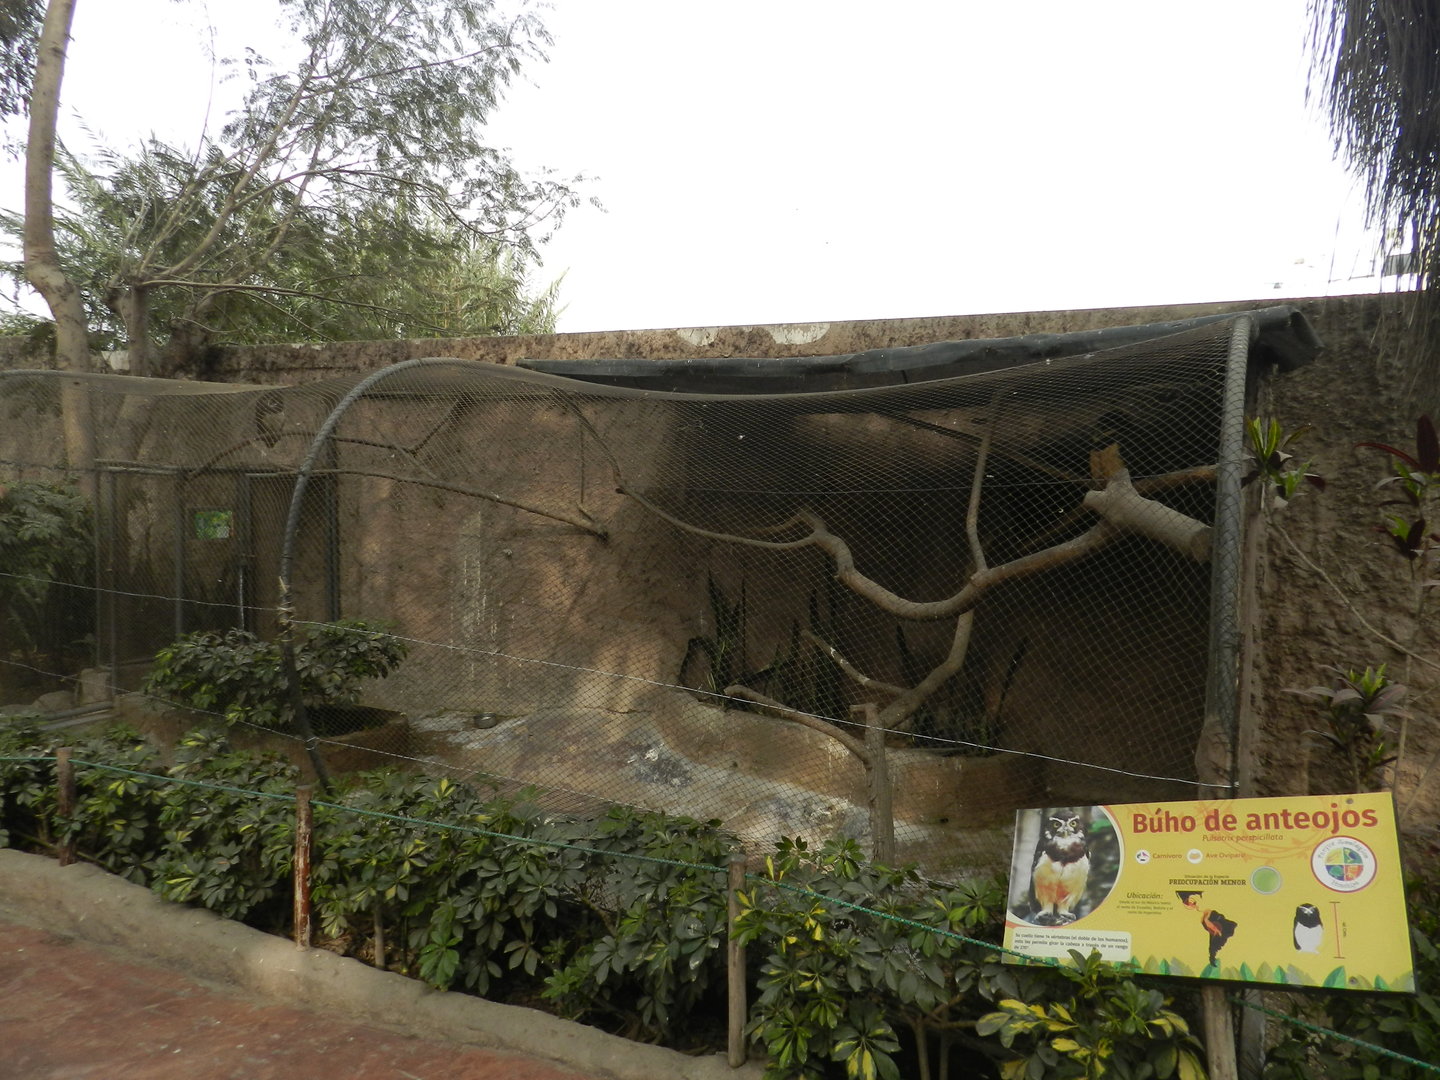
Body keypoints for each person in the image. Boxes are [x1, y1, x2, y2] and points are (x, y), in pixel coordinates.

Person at [1177, 891, 1237, 967]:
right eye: (1191, 904)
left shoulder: (1211, 915)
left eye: (1194, 903)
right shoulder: (1205, 919)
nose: (1195, 907)